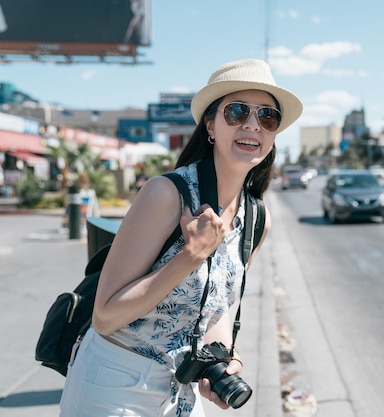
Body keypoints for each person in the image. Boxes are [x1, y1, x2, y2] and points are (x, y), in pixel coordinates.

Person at [59, 59, 303, 417]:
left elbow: (217, 309)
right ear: (211, 125)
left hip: (180, 390)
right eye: (237, 112)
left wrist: (224, 358)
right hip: (113, 383)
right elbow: (106, 317)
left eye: (267, 116)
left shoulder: (256, 219)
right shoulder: (166, 194)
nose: (253, 124)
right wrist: (191, 255)